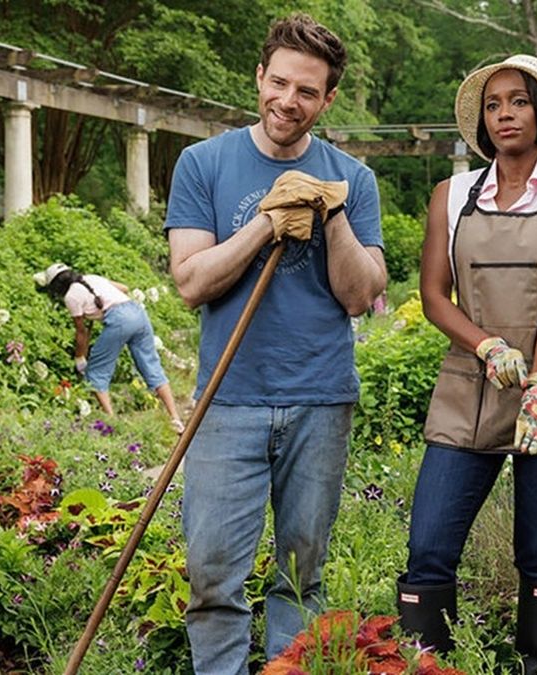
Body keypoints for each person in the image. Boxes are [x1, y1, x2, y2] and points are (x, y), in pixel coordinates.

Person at [162, 14, 386, 674]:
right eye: (279, 83)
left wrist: (332, 212)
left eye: (307, 91)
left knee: (300, 572)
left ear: (328, 100)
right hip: (227, 398)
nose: (288, 101)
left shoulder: (354, 178)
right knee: (212, 572)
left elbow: (361, 293)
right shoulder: (204, 163)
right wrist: (266, 221)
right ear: (259, 76)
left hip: (320, 398)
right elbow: (191, 281)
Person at [396, 55, 537, 674]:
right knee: (429, 547)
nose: (505, 114)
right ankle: (427, 665)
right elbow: (435, 294)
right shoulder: (451, 195)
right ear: (483, 122)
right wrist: (486, 345)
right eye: (493, 104)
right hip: (469, 387)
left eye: (517, 101)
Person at [35, 262, 184, 433]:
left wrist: (79, 358)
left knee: (96, 373)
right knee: (152, 366)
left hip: (119, 320)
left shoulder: (70, 297)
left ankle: (112, 422)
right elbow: (125, 288)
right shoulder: (91, 278)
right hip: (138, 313)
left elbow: (81, 332)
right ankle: (175, 419)